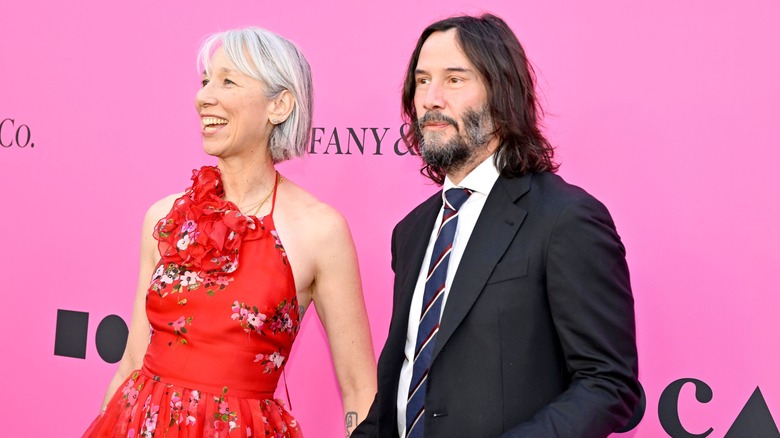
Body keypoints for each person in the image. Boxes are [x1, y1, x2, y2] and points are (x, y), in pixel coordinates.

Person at [352, 13, 640, 438]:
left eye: (454, 79)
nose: (431, 98)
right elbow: (405, 382)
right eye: (422, 80)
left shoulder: (566, 219)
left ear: (502, 94)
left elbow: (609, 384)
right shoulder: (411, 232)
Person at [84, 27, 376, 437]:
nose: (204, 97)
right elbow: (132, 362)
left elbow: (360, 389)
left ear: (280, 105)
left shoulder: (319, 230)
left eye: (228, 81)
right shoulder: (164, 217)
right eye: (205, 81)